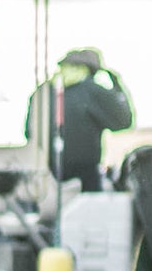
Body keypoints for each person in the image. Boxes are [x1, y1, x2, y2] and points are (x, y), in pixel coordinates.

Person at [33, 48, 135, 190]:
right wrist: (116, 84)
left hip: (42, 180)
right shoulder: (92, 90)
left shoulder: (41, 92)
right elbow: (124, 121)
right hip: (85, 180)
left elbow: (29, 132)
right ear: (91, 70)